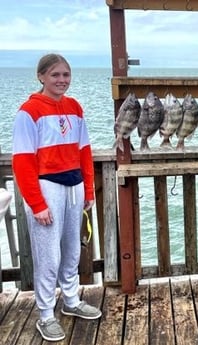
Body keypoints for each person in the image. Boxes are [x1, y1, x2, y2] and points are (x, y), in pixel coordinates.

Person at [12, 53, 102, 342]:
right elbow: (23, 161)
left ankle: (72, 301)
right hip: (46, 188)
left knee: (72, 248)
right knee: (47, 254)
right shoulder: (29, 111)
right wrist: (37, 204)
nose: (62, 80)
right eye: (55, 75)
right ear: (41, 77)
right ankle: (46, 314)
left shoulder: (75, 108)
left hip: (74, 186)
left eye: (65, 75)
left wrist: (88, 189)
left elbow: (84, 152)